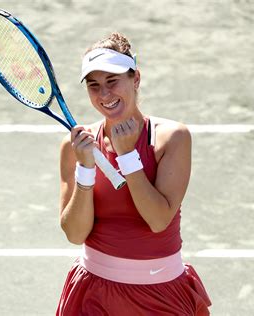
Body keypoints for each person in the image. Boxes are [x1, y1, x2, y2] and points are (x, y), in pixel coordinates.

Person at [56, 32, 211, 315]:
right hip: (93, 296)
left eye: (112, 81)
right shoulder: (75, 147)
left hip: (161, 296)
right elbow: (75, 234)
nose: (104, 95)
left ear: (135, 79)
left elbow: (158, 219)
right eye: (94, 86)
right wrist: (86, 170)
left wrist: (128, 156)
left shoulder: (172, 138)